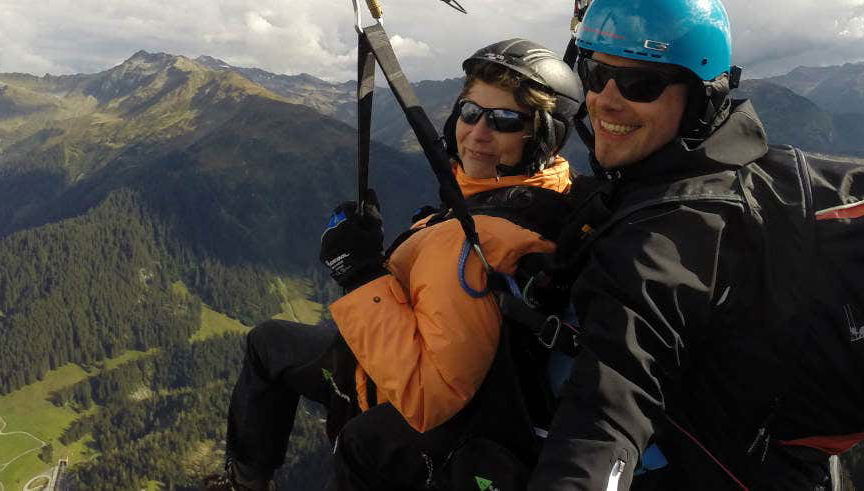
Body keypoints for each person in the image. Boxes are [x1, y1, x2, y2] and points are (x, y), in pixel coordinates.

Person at [204, 38, 582, 491]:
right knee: (269, 343)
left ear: (542, 135)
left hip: (388, 388)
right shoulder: (544, 191)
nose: (477, 133)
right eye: (470, 112)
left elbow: (427, 396)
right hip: (403, 355)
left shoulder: (481, 240)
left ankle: (244, 481)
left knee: (289, 368)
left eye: (504, 121)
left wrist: (360, 274)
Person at [528, 0, 864, 489]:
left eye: (642, 84)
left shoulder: (666, 239)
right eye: (595, 74)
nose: (605, 100)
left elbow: (609, 408)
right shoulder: (749, 172)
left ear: (701, 97)